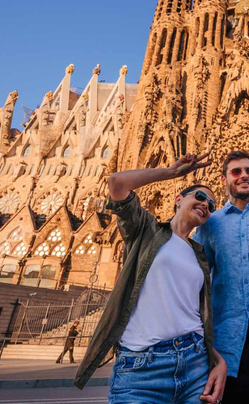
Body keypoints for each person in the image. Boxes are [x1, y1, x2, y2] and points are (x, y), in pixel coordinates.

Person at [73, 153, 227, 404]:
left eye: (211, 204)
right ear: (178, 199)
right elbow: (117, 183)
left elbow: (195, 316)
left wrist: (219, 362)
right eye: (200, 196)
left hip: (195, 364)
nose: (205, 204)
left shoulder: (200, 255)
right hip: (142, 368)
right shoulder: (147, 231)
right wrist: (171, 172)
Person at [193, 151, 249, 404]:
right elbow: (195, 277)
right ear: (224, 179)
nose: (244, 176)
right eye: (236, 171)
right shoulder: (209, 223)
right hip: (227, 343)